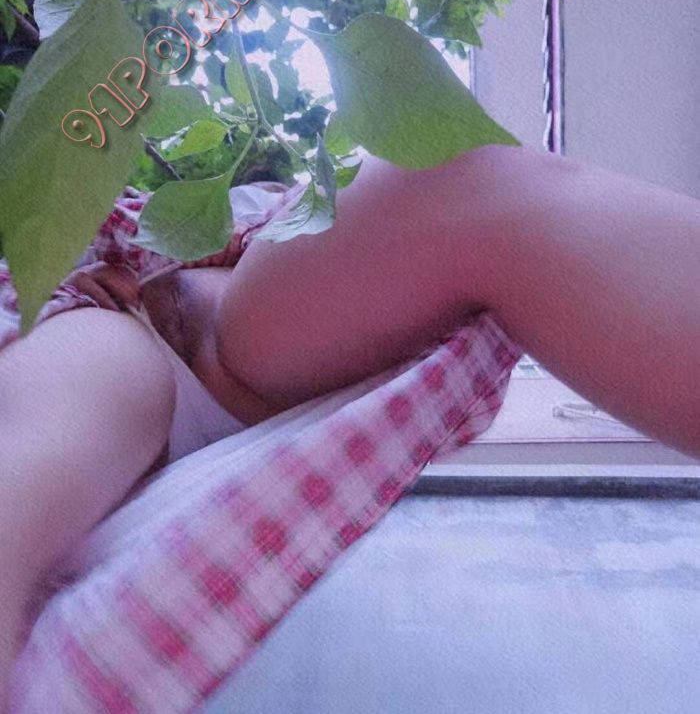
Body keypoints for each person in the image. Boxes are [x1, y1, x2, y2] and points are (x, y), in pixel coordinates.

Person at [0, 142, 698, 702]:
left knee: (457, 174)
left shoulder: (278, 224)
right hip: (99, 329)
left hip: (230, 355)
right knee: (29, 477)